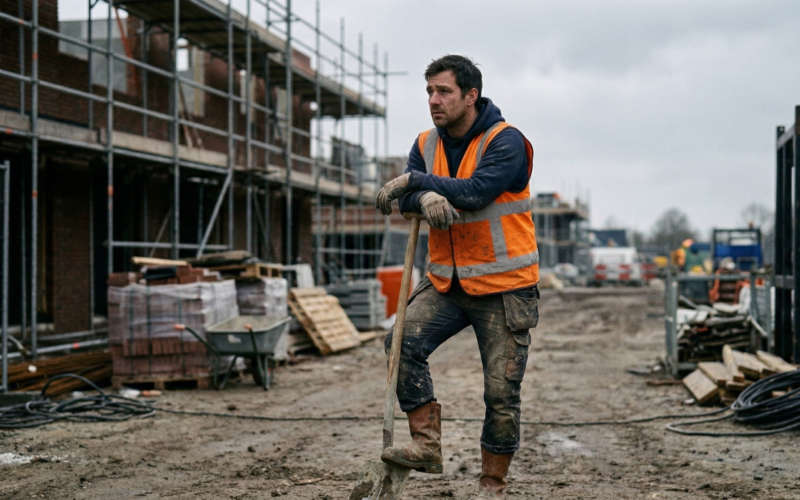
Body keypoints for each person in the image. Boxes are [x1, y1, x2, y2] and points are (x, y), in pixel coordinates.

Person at [375, 54, 540, 500]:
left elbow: (476, 192)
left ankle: (492, 485)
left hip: (504, 288)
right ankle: (426, 445)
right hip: (448, 283)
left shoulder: (507, 143)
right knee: (400, 343)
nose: (434, 100)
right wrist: (421, 196)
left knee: (500, 394)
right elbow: (406, 203)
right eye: (429, 91)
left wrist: (416, 182)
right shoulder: (425, 143)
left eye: (443, 91)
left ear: (471, 95)